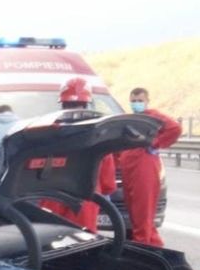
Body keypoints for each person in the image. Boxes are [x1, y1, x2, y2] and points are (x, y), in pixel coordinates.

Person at [38, 78, 117, 232]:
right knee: (82, 244)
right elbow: (108, 183)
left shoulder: (48, 132)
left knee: (48, 241)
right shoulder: (99, 136)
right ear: (87, 104)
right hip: (86, 198)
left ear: (62, 104)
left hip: (52, 195)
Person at [119, 87, 182, 246]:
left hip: (144, 168)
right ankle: (156, 249)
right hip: (130, 169)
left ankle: (144, 249)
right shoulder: (130, 119)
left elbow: (175, 128)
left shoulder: (152, 116)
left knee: (143, 216)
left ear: (147, 101)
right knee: (137, 216)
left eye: (140, 101)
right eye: (133, 101)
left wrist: (155, 143)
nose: (136, 104)